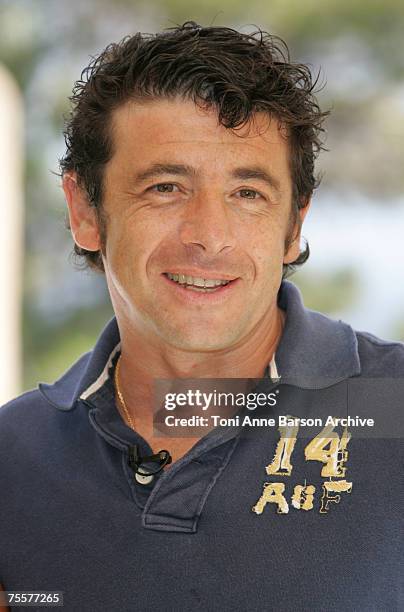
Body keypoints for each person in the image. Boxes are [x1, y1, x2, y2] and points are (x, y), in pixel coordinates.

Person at [0, 21, 403, 612]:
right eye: (165, 187)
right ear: (85, 211)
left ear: (293, 226)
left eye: (248, 194)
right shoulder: (14, 457)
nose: (209, 237)